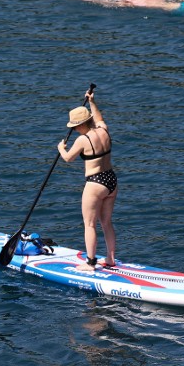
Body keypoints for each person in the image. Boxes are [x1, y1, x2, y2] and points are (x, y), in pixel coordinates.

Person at [57, 89, 117, 271]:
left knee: (89, 224)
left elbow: (68, 158)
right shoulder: (103, 130)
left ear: (79, 125)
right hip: (111, 180)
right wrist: (92, 101)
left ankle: (90, 263)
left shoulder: (83, 140)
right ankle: (110, 258)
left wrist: (61, 148)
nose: (73, 130)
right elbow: (99, 118)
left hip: (95, 183)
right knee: (106, 222)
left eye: (74, 127)